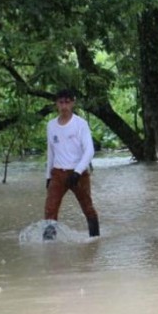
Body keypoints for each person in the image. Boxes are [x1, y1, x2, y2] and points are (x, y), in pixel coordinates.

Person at [43, 89, 99, 240]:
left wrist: (78, 171)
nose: (64, 106)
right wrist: (48, 176)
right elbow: (51, 152)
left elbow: (89, 150)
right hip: (58, 173)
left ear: (73, 103)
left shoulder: (80, 124)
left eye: (67, 102)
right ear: (56, 104)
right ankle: (49, 244)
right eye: (61, 102)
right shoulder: (51, 125)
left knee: (87, 207)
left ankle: (95, 240)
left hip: (78, 173)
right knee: (50, 209)